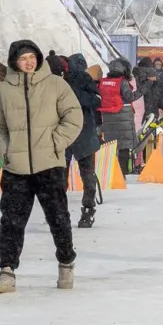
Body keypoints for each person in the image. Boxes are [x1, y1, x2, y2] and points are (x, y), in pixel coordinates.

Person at [0, 39, 83, 293]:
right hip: (16, 168)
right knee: (12, 221)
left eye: (31, 57)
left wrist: (55, 142)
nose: (28, 62)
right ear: (15, 63)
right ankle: (7, 271)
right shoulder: (3, 91)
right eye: (22, 58)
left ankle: (66, 262)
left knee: (58, 218)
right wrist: (6, 150)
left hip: (49, 164)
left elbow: (73, 116)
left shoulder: (56, 84)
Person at [65, 53, 104, 228]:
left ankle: (63, 211)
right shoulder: (85, 80)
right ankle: (87, 210)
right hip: (82, 133)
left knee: (60, 178)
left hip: (67, 134)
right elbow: (97, 101)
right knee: (87, 175)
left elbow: (96, 101)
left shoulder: (62, 82)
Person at [97, 57, 140, 176]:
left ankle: (110, 172)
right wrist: (144, 88)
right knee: (124, 147)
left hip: (108, 118)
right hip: (123, 118)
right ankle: (122, 173)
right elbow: (130, 97)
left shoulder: (103, 82)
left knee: (111, 146)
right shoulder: (122, 82)